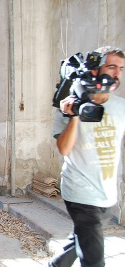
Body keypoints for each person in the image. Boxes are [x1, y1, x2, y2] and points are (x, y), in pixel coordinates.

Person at [49, 46, 125, 267]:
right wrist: (73, 116)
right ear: (94, 70)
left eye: (120, 68)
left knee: (79, 240)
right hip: (80, 193)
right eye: (111, 66)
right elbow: (64, 149)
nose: (117, 73)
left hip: (108, 194)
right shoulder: (70, 105)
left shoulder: (120, 106)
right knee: (93, 259)